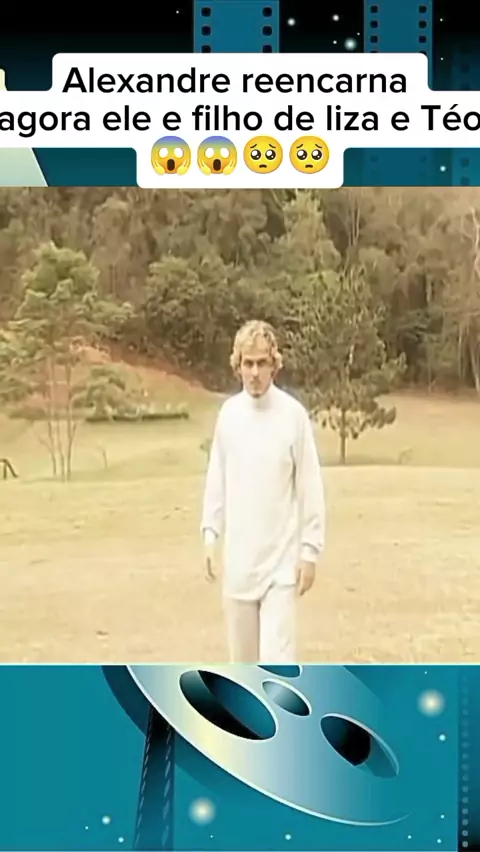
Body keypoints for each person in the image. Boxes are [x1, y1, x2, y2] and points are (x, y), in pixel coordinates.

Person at [200, 320, 325, 663]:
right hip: (239, 566)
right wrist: (210, 534)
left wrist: (310, 551)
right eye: (248, 364)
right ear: (237, 365)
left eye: (261, 363)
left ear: (274, 365)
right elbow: (217, 478)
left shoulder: (293, 416)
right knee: (243, 669)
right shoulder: (229, 415)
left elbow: (310, 486)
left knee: (277, 666)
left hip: (280, 569)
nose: (254, 373)